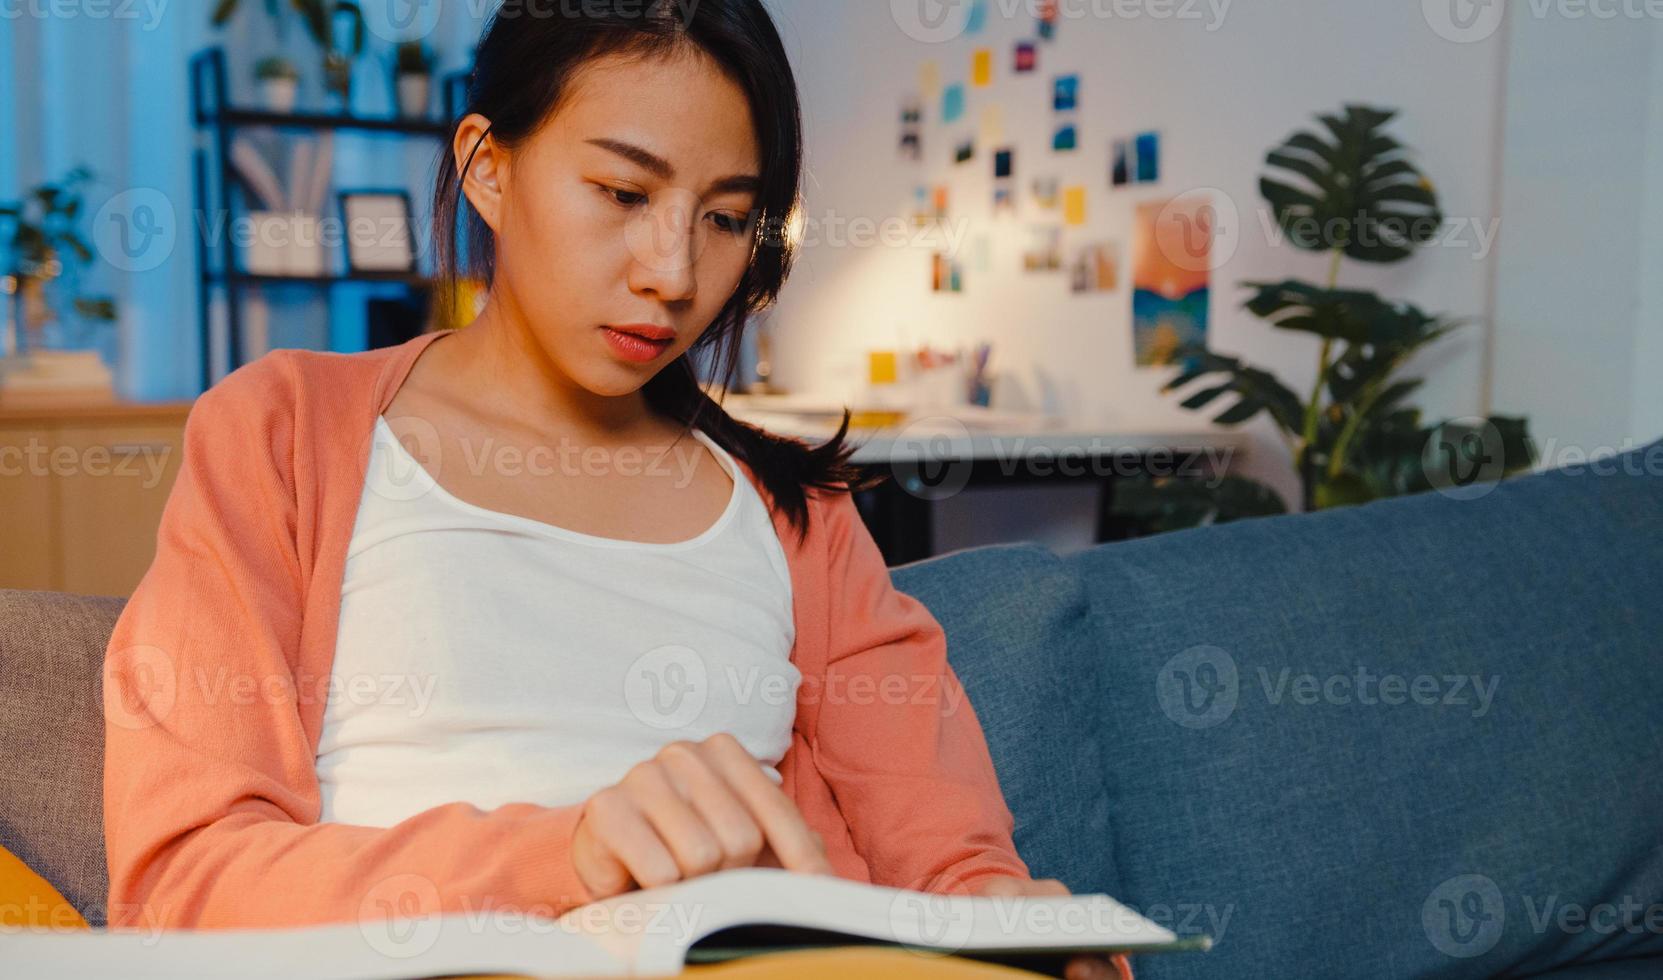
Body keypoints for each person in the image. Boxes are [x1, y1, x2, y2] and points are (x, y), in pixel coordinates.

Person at [103, 3, 1125, 978]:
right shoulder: (283, 437)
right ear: (486, 167)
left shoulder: (794, 514)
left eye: (725, 217)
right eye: (624, 194)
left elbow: (953, 868)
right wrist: (574, 853)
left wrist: (1024, 930)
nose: (672, 273)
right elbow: (182, 885)